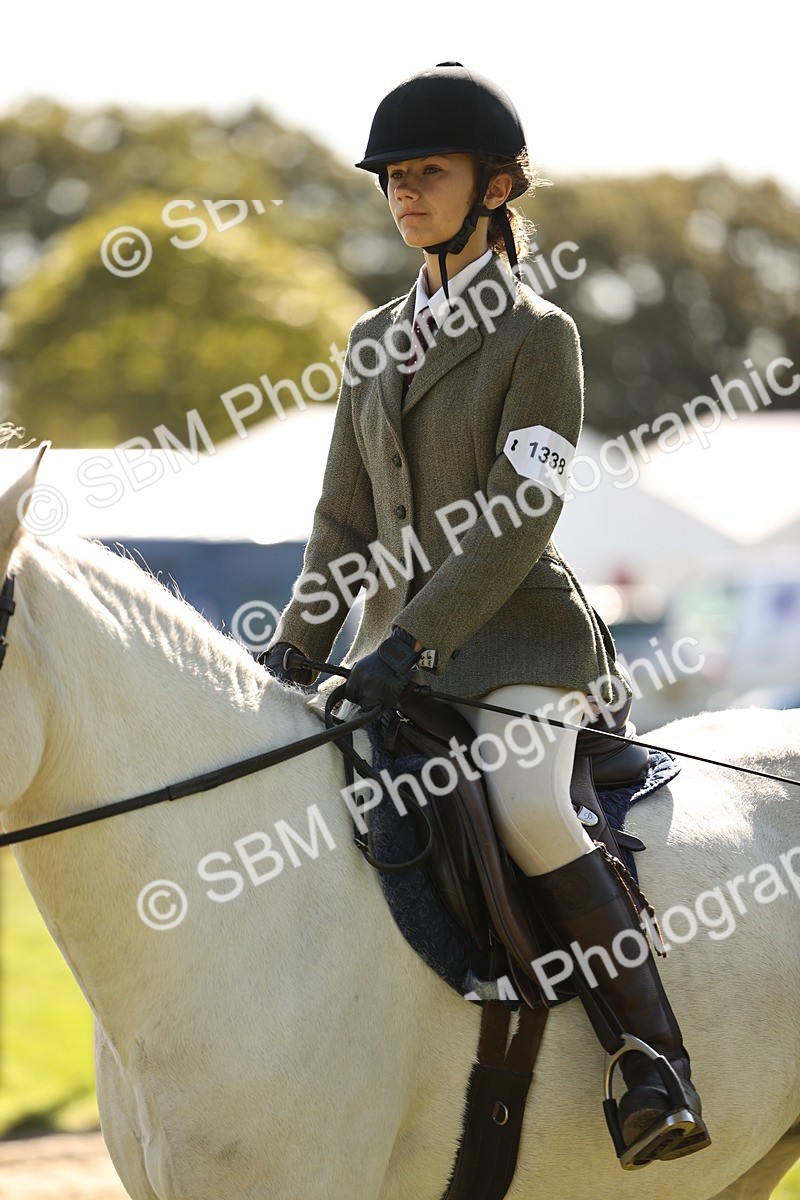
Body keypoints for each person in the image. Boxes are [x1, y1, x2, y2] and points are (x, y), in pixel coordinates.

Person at [263, 62, 708, 1166]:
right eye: (392, 176)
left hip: (515, 641)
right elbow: (340, 520)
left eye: (428, 172)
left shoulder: (535, 335)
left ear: (496, 186)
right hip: (389, 657)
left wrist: (415, 639)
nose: (403, 192)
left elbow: (518, 517)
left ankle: (649, 1061)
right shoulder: (370, 342)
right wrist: (295, 647)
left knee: (525, 803)